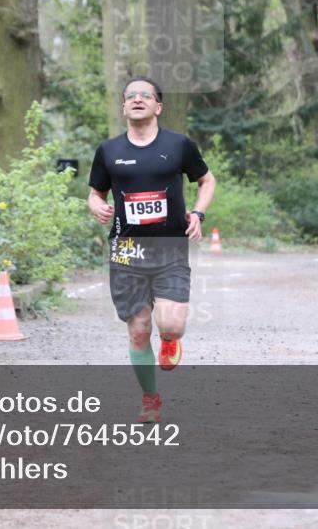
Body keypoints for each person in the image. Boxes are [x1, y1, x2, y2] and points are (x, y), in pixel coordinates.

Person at [88, 76, 216, 423]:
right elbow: (95, 192)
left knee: (170, 324)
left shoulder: (179, 145)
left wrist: (198, 213)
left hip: (169, 247)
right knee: (139, 329)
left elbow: (206, 180)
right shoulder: (109, 151)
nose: (138, 99)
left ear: (158, 106)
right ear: (123, 106)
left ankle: (170, 340)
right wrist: (96, 206)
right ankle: (150, 399)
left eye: (146, 95)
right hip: (127, 249)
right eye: (131, 95)